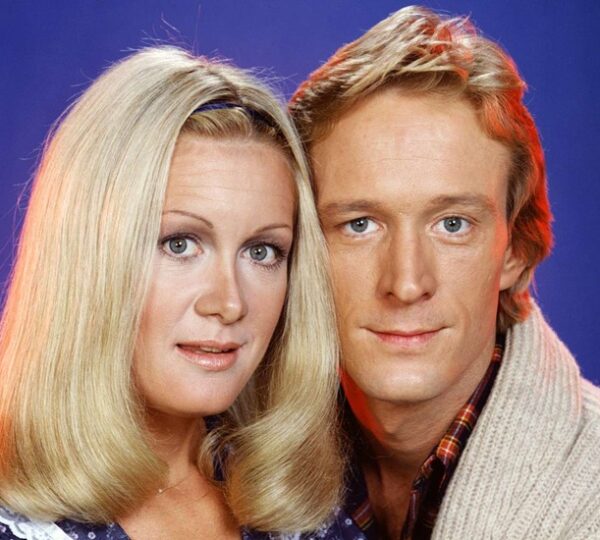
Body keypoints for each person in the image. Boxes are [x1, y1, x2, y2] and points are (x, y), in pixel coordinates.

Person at [0, 46, 344, 539]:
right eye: (179, 244)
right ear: (86, 259)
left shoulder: (298, 508)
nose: (229, 303)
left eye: (262, 251)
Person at [289, 5, 600, 539]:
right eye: (360, 225)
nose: (407, 284)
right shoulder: (225, 460)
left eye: (452, 224)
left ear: (515, 251)